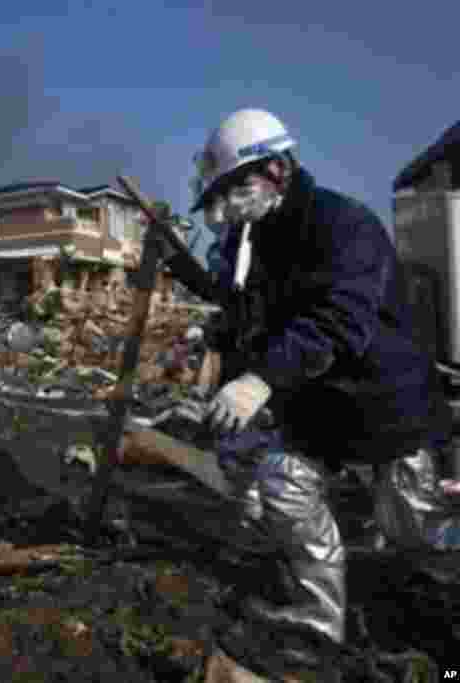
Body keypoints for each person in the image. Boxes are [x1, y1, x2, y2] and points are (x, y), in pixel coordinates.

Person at [187, 108, 458, 659]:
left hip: (388, 403)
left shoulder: (344, 225)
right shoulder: (260, 240)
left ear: (279, 170)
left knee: (414, 533)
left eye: (241, 187)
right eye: (226, 194)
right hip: (318, 404)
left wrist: (259, 382)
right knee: (284, 484)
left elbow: (339, 319)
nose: (234, 203)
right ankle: (319, 617)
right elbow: (250, 311)